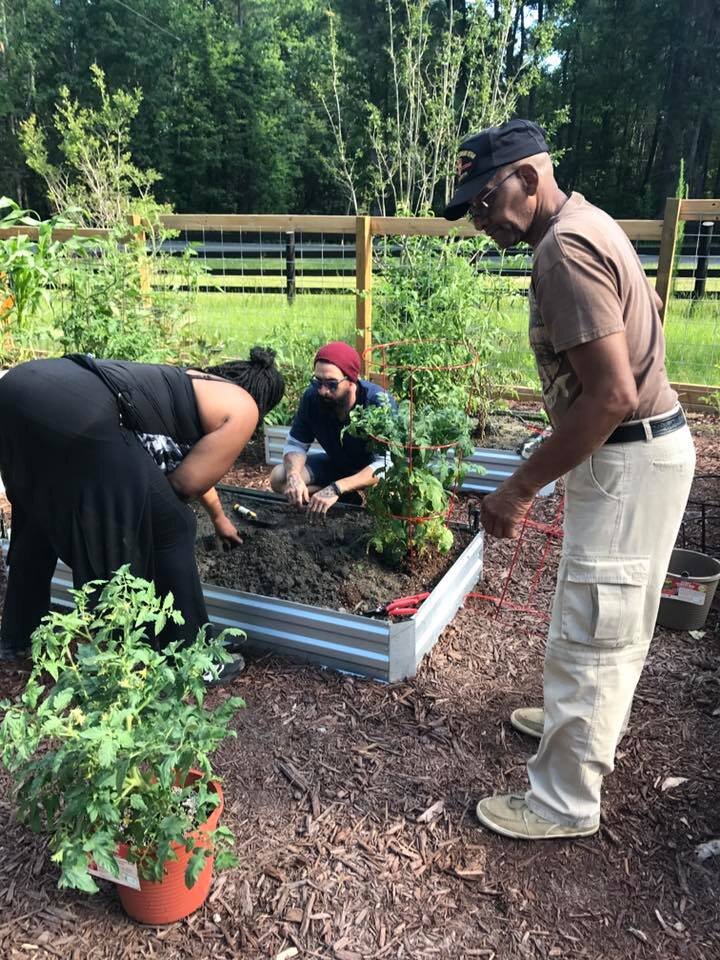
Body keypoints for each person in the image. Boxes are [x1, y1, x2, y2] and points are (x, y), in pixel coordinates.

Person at [444, 119, 695, 839]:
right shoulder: (585, 223)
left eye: (487, 199)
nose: (482, 220)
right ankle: (569, 722)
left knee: (596, 631)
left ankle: (562, 803)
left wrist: (519, 487)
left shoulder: (564, 252)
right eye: (472, 209)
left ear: (529, 174)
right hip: (631, 451)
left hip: (629, 451)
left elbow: (612, 394)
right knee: (598, 611)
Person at [0, 347, 284, 672]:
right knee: (176, 527)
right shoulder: (245, 408)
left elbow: (179, 461)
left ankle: (16, 638)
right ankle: (191, 658)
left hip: (18, 387)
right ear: (265, 400)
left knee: (38, 520)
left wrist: (219, 517)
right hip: (80, 412)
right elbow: (185, 484)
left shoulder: (195, 381)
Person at [270, 341, 396, 514]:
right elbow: (296, 444)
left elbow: (385, 464)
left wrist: (337, 487)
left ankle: (338, 493)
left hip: (369, 473)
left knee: (391, 498)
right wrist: (294, 476)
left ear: (352, 381)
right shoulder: (312, 398)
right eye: (318, 382)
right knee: (279, 477)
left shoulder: (378, 402)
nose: (322, 391)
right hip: (337, 465)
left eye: (332, 384)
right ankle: (347, 498)